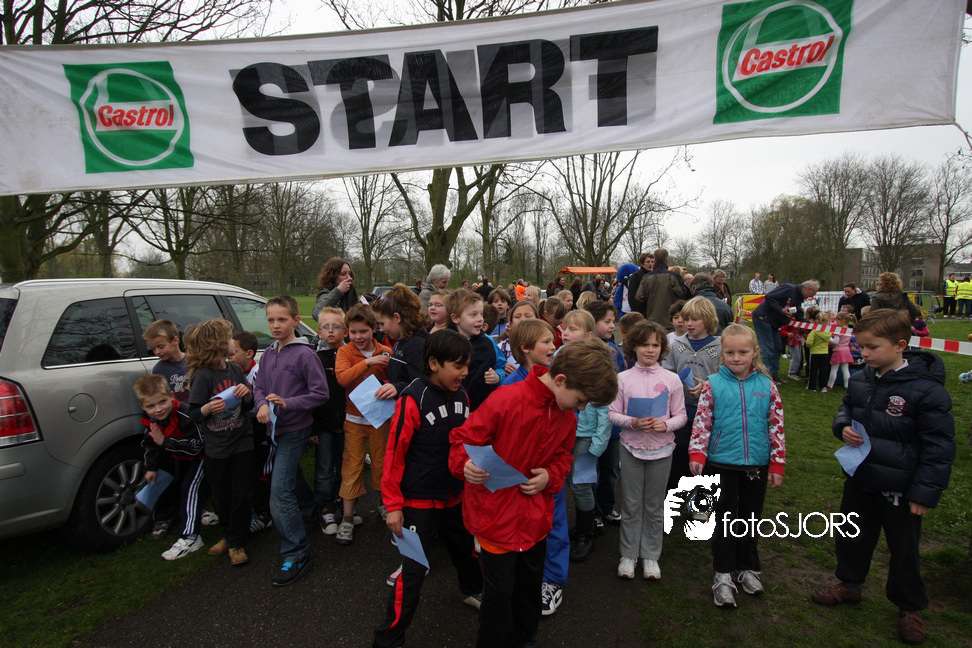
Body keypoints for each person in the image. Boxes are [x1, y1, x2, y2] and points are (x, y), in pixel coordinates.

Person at [449, 339, 619, 648]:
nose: (581, 408)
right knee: (499, 594)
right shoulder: (506, 399)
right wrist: (465, 465)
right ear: (561, 380)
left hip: (535, 520)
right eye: (581, 400)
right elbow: (463, 440)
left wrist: (550, 475)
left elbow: (564, 456)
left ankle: (525, 638)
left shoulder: (566, 415)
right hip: (495, 518)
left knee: (529, 589)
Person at [811, 310, 954, 646]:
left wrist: (924, 492)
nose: (864, 353)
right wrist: (842, 427)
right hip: (861, 477)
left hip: (902, 487)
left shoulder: (926, 390)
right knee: (852, 536)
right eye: (861, 346)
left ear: (900, 345)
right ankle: (849, 585)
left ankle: (909, 606)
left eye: (872, 347)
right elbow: (847, 407)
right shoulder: (862, 378)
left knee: (904, 548)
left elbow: (939, 446)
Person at [372, 330, 483, 647]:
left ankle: (473, 590)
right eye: (458, 366)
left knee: (466, 552)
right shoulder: (412, 399)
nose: (465, 372)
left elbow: (465, 442)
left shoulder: (462, 396)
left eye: (467, 365)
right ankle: (388, 637)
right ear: (434, 363)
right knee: (413, 572)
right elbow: (394, 455)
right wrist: (393, 505)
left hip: (454, 498)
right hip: (418, 502)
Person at [689, 323, 785, 609]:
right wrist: (697, 454)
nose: (736, 357)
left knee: (749, 519)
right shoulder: (713, 384)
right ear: (723, 353)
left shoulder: (767, 385)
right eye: (730, 352)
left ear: (754, 352)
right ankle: (723, 574)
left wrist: (777, 463)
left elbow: (776, 425)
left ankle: (748, 567)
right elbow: (702, 421)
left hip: (756, 465)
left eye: (743, 352)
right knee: (724, 520)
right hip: (721, 464)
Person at [253, 296, 329, 585]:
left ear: (296, 321)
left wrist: (289, 403)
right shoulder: (268, 354)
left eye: (282, 319)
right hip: (274, 430)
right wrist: (262, 404)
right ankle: (309, 513)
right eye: (271, 320)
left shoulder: (305, 355)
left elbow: (320, 394)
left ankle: (297, 553)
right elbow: (259, 388)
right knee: (292, 476)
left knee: (280, 491)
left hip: (295, 429)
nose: (275, 325)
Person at [500, 319, 570, 614]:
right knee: (518, 522)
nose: (553, 346)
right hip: (516, 475)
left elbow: (566, 433)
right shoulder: (508, 386)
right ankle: (522, 575)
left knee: (554, 523)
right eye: (546, 342)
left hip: (548, 473)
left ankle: (552, 580)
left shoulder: (559, 382)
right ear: (525, 347)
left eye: (553, 340)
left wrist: (552, 472)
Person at [609, 321, 686, 581]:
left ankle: (651, 555)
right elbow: (612, 413)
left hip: (662, 450)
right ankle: (628, 554)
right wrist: (632, 422)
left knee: (654, 505)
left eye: (655, 345)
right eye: (644, 345)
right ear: (633, 347)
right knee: (631, 503)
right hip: (630, 448)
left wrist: (666, 425)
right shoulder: (622, 379)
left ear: (662, 348)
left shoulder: (672, 379)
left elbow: (681, 415)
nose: (650, 350)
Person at [185, 319, 254, 568]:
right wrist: (207, 408)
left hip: (242, 442)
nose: (233, 342)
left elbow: (248, 405)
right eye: (229, 338)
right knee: (222, 496)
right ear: (217, 345)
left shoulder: (235, 369)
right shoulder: (202, 376)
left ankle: (237, 542)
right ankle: (228, 535)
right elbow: (194, 414)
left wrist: (247, 394)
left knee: (241, 494)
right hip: (217, 449)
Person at [335, 303, 396, 546]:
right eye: (353, 332)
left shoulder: (385, 351)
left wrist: (388, 375)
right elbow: (342, 379)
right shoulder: (345, 352)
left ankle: (383, 504)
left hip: (380, 419)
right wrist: (367, 363)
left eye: (364, 331)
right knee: (352, 465)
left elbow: (395, 379)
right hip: (354, 420)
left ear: (373, 329)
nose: (358, 337)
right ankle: (348, 517)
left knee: (382, 462)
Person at [135, 374, 206, 560]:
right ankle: (192, 515)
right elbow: (150, 444)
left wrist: (165, 442)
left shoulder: (185, 413)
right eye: (151, 406)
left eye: (162, 402)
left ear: (171, 397)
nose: (158, 409)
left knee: (190, 488)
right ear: (142, 407)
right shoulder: (150, 419)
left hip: (201, 457)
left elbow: (198, 445)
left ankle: (191, 536)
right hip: (179, 457)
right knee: (175, 484)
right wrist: (151, 468)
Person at [561, 310, 608, 566]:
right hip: (564, 433)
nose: (565, 333)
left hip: (586, 436)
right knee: (568, 481)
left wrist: (598, 444)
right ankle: (581, 526)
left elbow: (604, 407)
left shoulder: (596, 364)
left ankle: (586, 533)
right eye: (564, 328)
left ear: (589, 335)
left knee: (581, 484)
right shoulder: (558, 357)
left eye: (573, 329)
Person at [661, 297, 721, 492]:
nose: (688, 323)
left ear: (708, 319)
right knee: (678, 460)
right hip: (681, 412)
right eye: (686, 319)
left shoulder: (720, 346)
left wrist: (707, 386)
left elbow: (724, 377)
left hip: (709, 415)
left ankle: (701, 500)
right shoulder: (677, 344)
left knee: (705, 463)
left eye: (695, 319)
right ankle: (674, 498)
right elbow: (667, 371)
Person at [583, 301, 625, 528]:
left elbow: (623, 379)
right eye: (606, 321)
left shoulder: (615, 351)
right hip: (590, 423)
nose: (611, 326)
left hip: (612, 422)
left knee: (610, 469)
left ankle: (606, 508)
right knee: (590, 469)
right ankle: (592, 513)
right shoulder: (583, 351)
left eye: (613, 322)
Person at [229, 331, 273, 534]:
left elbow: (263, 402)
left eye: (233, 353)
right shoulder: (231, 372)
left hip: (261, 429)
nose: (229, 356)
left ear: (249, 354)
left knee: (262, 471)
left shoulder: (257, 374)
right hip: (243, 431)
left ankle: (265, 514)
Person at [311, 308, 348, 537]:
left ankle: (345, 503)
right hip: (322, 424)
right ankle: (325, 507)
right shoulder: (314, 358)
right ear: (319, 332)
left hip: (347, 422)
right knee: (324, 468)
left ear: (345, 331)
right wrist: (312, 427)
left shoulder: (350, 355)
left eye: (336, 326)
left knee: (345, 466)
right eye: (326, 327)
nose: (331, 331)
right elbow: (309, 393)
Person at [751, 279, 820, 383]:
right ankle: (765, 377)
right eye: (812, 294)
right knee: (767, 348)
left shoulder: (799, 298)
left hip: (774, 323)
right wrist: (781, 309)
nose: (810, 297)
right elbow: (769, 297)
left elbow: (799, 316)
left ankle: (774, 375)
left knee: (777, 348)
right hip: (763, 318)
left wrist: (813, 325)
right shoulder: (788, 288)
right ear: (809, 289)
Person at [449, 289, 505, 410]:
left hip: (481, 407)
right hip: (451, 406)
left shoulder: (488, 342)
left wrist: (497, 377)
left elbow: (500, 366)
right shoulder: (445, 342)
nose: (480, 319)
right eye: (473, 315)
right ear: (455, 318)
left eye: (481, 314)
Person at [635, 248, 692, 331]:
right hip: (671, 320)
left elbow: (639, 297)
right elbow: (683, 294)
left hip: (652, 320)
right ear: (667, 261)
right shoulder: (674, 276)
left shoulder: (646, 277)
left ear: (654, 261)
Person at [144, 319, 190, 405]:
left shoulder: (194, 361)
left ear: (175, 341)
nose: (157, 352)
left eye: (161, 347)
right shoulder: (159, 370)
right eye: (153, 349)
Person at [825, 312, 856, 391]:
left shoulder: (839, 330)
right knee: (845, 369)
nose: (837, 322)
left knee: (834, 369)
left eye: (838, 321)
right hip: (846, 351)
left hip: (838, 351)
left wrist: (828, 337)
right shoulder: (849, 330)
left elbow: (836, 342)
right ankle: (847, 385)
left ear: (843, 320)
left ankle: (830, 384)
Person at [806, 310, 833, 392]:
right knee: (823, 370)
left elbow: (808, 343)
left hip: (815, 352)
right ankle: (823, 386)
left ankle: (812, 386)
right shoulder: (829, 332)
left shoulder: (814, 332)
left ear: (817, 321)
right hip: (824, 352)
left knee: (813, 370)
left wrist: (810, 346)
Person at [626, 252, 654, 316]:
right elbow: (632, 296)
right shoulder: (636, 276)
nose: (650, 264)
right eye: (648, 262)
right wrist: (636, 312)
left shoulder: (654, 275)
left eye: (652, 262)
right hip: (641, 310)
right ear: (642, 263)